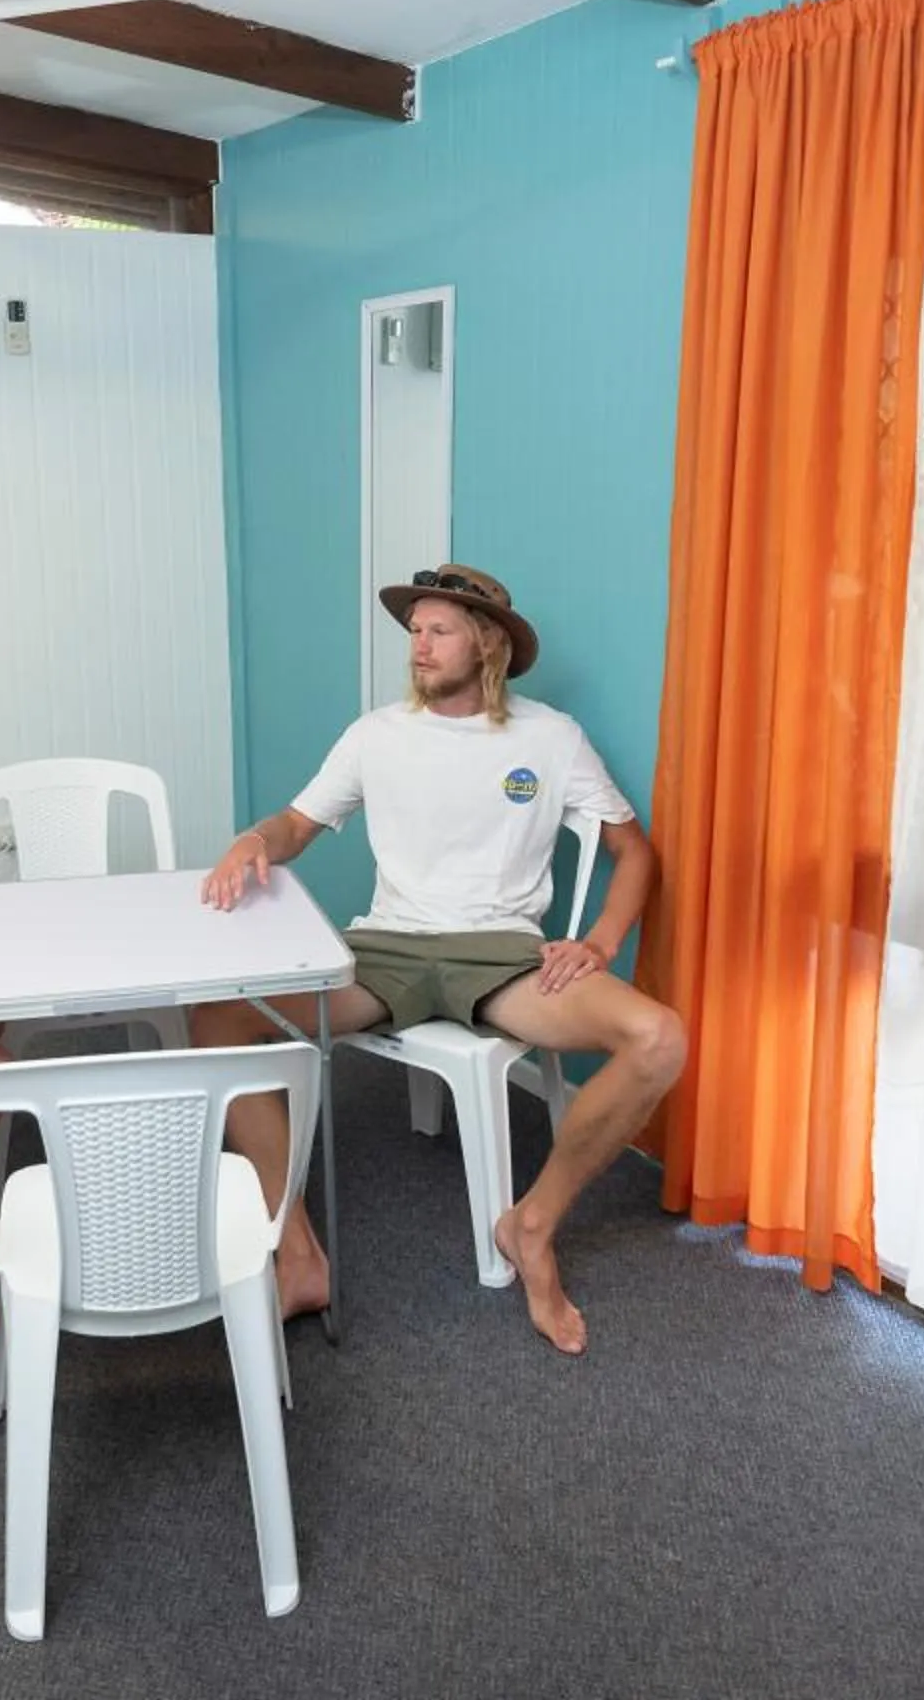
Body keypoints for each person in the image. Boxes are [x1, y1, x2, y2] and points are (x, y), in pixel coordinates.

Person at [193, 564, 682, 1356]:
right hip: (386, 949)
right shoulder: (376, 734)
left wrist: (598, 941)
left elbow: (635, 851)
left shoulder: (550, 738)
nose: (418, 646)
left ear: (485, 643)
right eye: (414, 630)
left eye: (438, 630)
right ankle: (298, 1254)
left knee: (660, 1039)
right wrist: (254, 840)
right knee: (214, 1017)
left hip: (503, 958)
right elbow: (295, 823)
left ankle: (531, 1226)